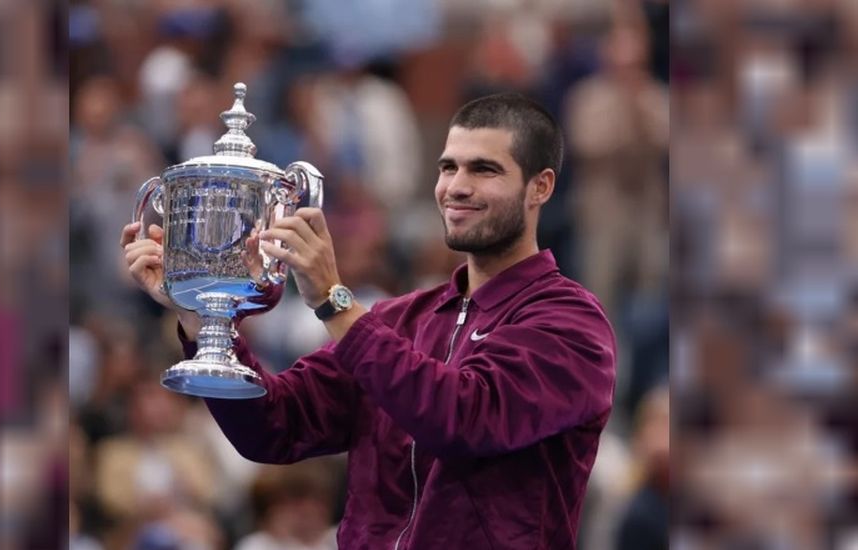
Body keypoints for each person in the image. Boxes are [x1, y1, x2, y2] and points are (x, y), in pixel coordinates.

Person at [121, 93, 616, 549]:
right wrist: (199, 313)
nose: (457, 187)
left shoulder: (571, 326)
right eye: (448, 167)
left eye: (484, 169)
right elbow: (273, 427)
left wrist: (335, 303)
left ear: (541, 187)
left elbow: (462, 419)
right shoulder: (399, 320)